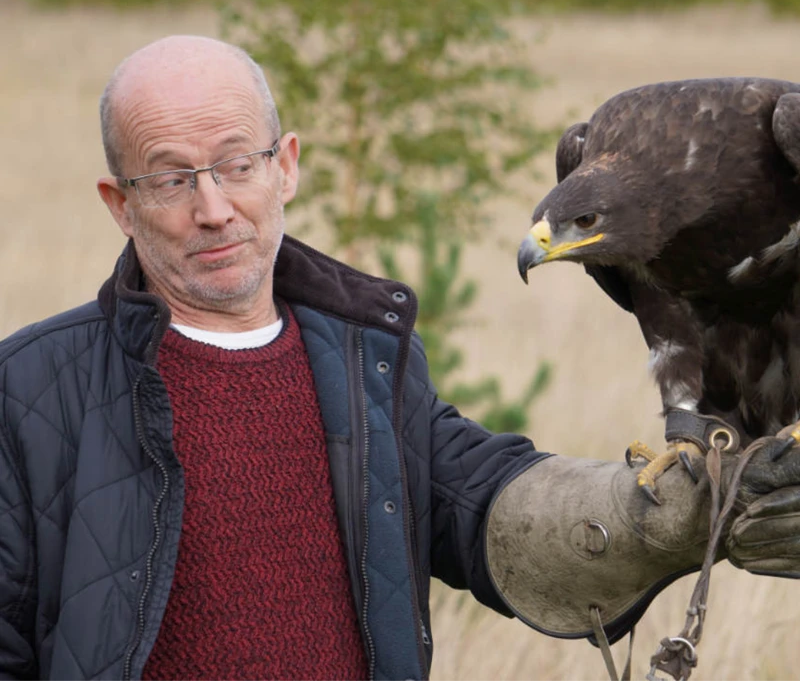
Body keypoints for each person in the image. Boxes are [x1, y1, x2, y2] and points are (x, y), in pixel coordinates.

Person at [1, 35, 799, 681]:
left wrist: (672, 520)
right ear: (120, 202)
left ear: (286, 166)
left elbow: (490, 506)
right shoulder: (28, 393)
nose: (214, 209)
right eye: (173, 178)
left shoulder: (367, 359)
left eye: (238, 165)